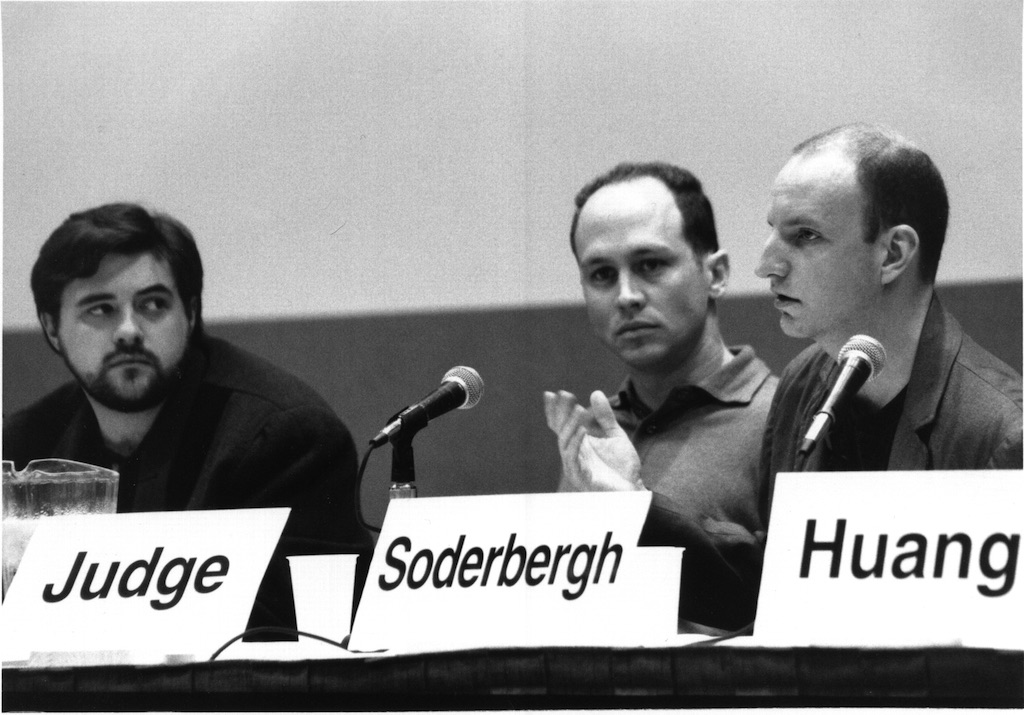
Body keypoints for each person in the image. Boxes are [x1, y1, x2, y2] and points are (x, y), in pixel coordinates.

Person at [3, 202, 374, 633]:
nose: (129, 330)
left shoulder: (283, 438)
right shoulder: (21, 447)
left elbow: (294, 639)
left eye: (153, 304)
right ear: (51, 328)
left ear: (192, 313)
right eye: (99, 309)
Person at [544, 162, 778, 632]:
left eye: (650, 265)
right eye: (601, 274)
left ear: (716, 273)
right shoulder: (590, 436)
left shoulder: (783, 416)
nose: (626, 295)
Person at [757, 123, 1022, 481]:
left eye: (806, 235)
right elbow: (777, 538)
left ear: (893, 254)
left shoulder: (1001, 433)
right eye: (772, 229)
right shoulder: (802, 380)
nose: (765, 267)